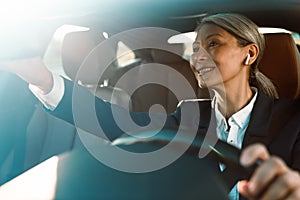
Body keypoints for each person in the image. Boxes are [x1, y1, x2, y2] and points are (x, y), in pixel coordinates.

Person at [0, 13, 300, 199]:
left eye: (213, 44)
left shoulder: (292, 120)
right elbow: (114, 119)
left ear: (249, 54)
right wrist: (43, 79)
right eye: (195, 48)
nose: (198, 57)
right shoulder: (187, 115)